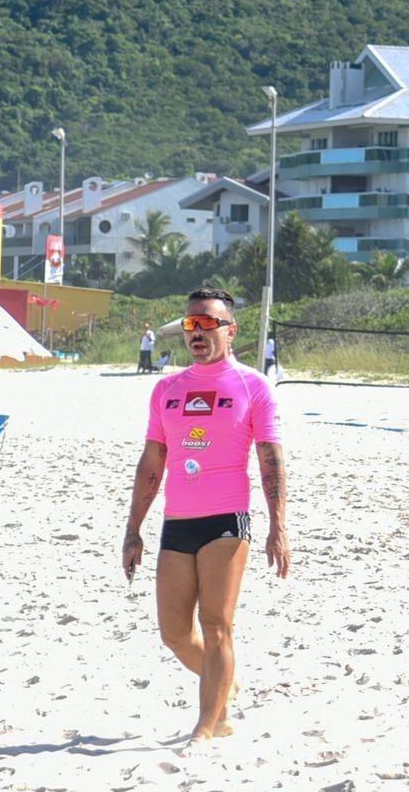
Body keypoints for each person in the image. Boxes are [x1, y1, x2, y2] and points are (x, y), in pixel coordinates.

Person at [122, 288, 289, 746]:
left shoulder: (253, 386)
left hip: (227, 521)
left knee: (217, 626)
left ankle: (206, 726)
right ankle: (223, 685)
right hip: (178, 522)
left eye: (207, 323)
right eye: (190, 324)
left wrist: (277, 526)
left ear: (231, 331)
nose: (196, 332)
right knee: (175, 633)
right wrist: (133, 529)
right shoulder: (167, 389)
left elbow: (271, 460)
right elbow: (152, 462)